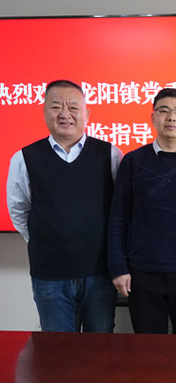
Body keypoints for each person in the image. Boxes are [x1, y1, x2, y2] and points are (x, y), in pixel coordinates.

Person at [7, 79, 123, 332]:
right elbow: (19, 209)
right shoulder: (25, 157)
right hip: (49, 275)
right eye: (56, 106)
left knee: (99, 346)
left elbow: (120, 210)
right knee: (56, 349)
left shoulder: (111, 154)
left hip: (99, 272)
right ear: (44, 112)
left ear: (87, 113)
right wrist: (46, 238)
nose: (64, 114)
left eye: (73, 107)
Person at [107, 88, 176, 335]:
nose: (172, 118)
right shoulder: (133, 161)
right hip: (143, 273)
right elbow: (118, 217)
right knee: (148, 351)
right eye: (164, 111)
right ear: (153, 118)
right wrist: (118, 268)